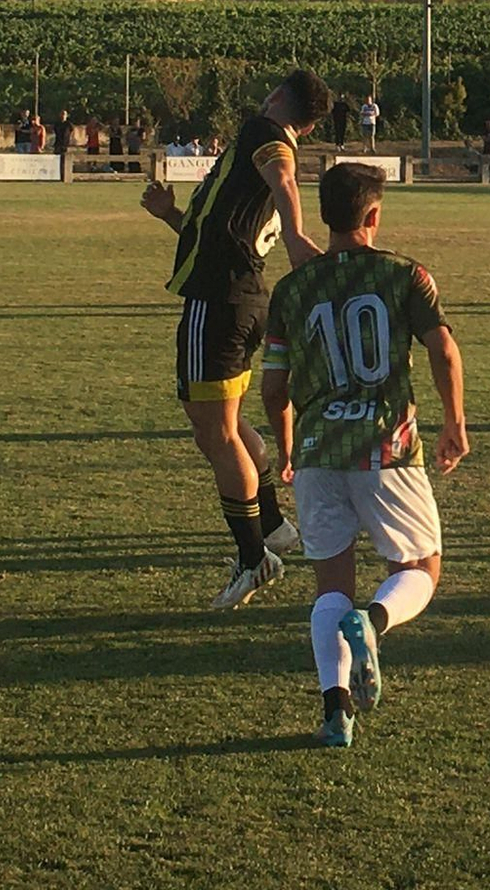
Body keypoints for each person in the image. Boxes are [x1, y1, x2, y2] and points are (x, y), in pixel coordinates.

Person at [260, 163, 469, 748]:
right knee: (421, 567)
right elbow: (443, 350)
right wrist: (454, 422)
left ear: (324, 216)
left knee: (331, 584)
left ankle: (336, 710)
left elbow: (273, 387)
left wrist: (287, 445)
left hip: (317, 450)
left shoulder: (292, 289)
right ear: (373, 215)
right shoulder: (404, 275)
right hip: (386, 448)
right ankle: (373, 622)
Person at [139, 68, 332, 608]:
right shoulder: (254, 156)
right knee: (220, 426)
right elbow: (221, 233)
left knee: (216, 433)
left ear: (279, 98)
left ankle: (254, 558)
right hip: (238, 299)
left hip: (219, 303)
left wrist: (297, 236)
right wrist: (171, 215)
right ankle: (271, 526)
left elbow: (284, 176)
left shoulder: (263, 133)